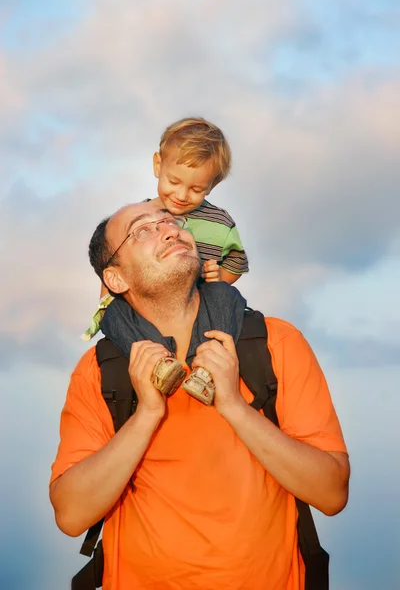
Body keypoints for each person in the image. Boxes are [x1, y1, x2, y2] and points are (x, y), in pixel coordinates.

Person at [50, 202, 350, 590]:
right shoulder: (100, 369)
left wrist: (234, 406)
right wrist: (146, 415)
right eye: (143, 230)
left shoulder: (274, 343)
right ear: (115, 278)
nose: (171, 230)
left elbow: (331, 493)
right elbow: (71, 515)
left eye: (171, 222)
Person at [83, 117, 249, 341]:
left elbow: (237, 262)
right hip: (149, 308)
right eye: (174, 182)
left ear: (213, 185)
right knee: (115, 313)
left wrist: (220, 276)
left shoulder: (220, 223)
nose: (181, 195)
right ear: (158, 165)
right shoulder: (141, 217)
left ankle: (209, 360)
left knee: (226, 297)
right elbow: (116, 259)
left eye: (196, 189)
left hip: (200, 308)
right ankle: (157, 363)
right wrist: (107, 301)